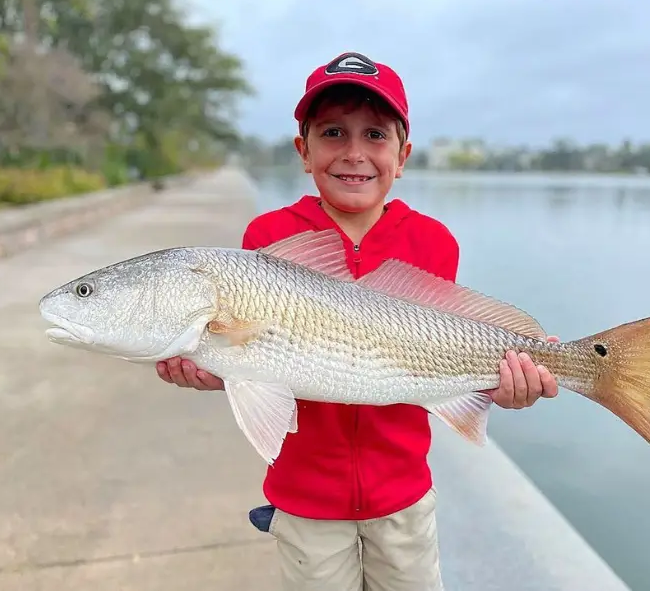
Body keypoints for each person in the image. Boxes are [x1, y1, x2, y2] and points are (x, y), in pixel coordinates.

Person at [156, 51, 559, 590]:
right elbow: (253, 360)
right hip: (306, 501)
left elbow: (445, 356)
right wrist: (216, 368)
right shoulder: (267, 238)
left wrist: (504, 386)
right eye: (332, 133)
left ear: (403, 153)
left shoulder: (434, 242)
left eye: (375, 135)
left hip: (403, 495)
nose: (353, 154)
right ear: (303, 149)